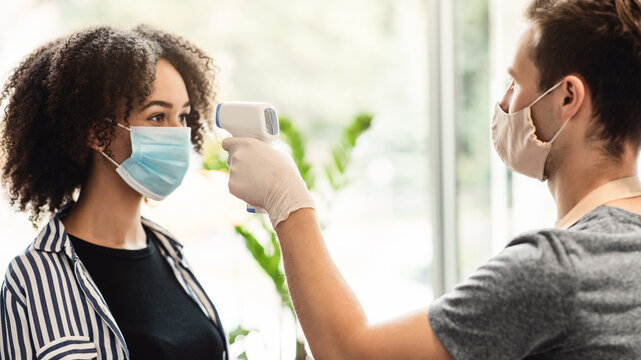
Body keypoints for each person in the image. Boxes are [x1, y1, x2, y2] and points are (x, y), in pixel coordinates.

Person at [222, 0, 641, 358]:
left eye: (515, 82)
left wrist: (285, 198)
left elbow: (348, 351)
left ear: (568, 97)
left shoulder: (554, 269)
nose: (503, 102)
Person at [0, 26, 228, 359]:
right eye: (157, 116)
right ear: (97, 133)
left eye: (183, 116)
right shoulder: (33, 278)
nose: (179, 135)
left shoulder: (170, 253)